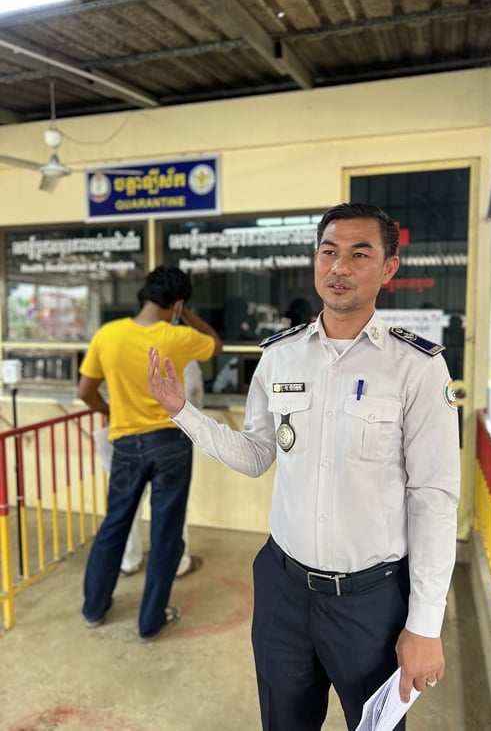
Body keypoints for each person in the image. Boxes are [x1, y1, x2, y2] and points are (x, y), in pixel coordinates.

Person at [148, 203, 460, 728]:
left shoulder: (417, 367)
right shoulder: (281, 355)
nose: (339, 267)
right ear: (315, 259)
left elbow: (433, 499)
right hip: (283, 590)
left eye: (359, 254)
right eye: (328, 251)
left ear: (388, 268)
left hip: (371, 602)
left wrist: (425, 624)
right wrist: (184, 413)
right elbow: (257, 454)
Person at [78, 265, 222, 641]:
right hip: (170, 444)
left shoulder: (108, 334)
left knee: (115, 524)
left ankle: (94, 608)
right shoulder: (179, 337)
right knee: (166, 532)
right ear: (177, 304)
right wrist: (186, 315)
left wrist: (111, 411)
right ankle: (150, 621)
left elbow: (85, 391)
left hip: (125, 443)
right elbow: (215, 344)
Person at [120, 358, 205, 578]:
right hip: (170, 438)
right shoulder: (181, 347)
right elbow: (194, 390)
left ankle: (128, 560)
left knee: (130, 503)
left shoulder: (124, 346)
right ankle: (177, 563)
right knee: (171, 505)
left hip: (128, 436)